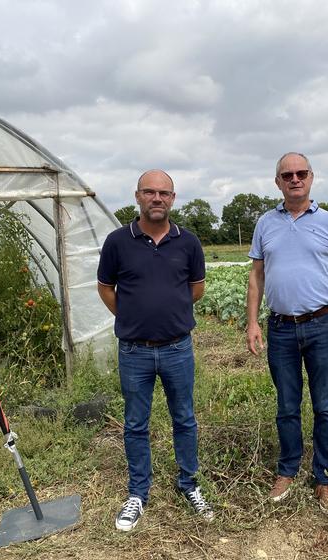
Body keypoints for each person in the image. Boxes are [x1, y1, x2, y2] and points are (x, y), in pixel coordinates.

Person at [97, 169, 213, 531]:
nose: (157, 198)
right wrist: (134, 317)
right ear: (138, 196)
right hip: (134, 351)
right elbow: (105, 289)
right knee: (135, 423)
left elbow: (196, 289)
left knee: (185, 419)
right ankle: (137, 493)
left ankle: (189, 484)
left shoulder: (188, 242)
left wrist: (169, 315)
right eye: (150, 192)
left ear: (173, 199)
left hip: (178, 348)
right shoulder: (117, 241)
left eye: (164, 193)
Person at [246, 152, 328, 514]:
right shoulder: (265, 223)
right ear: (277, 182)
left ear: (311, 177)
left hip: (322, 325)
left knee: (325, 405)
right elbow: (256, 276)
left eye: (301, 173)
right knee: (286, 404)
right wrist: (251, 322)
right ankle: (288, 469)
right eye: (287, 175)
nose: (295, 179)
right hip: (280, 328)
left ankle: (325, 477)